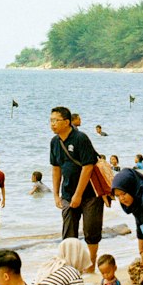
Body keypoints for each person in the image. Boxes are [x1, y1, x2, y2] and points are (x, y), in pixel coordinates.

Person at [49, 105, 104, 269]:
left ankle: (92, 263)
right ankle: (69, 267)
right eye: (50, 120)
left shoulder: (80, 138)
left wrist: (78, 195)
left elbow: (88, 167)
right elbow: (55, 169)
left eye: (55, 120)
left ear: (66, 122)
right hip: (67, 193)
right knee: (68, 232)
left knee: (91, 231)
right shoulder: (55, 142)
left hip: (90, 193)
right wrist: (56, 195)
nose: (52, 124)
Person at [110, 167, 143, 285]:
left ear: (131, 187)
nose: (121, 199)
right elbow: (141, 223)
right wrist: (141, 251)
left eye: (123, 194)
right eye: (118, 196)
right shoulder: (136, 199)